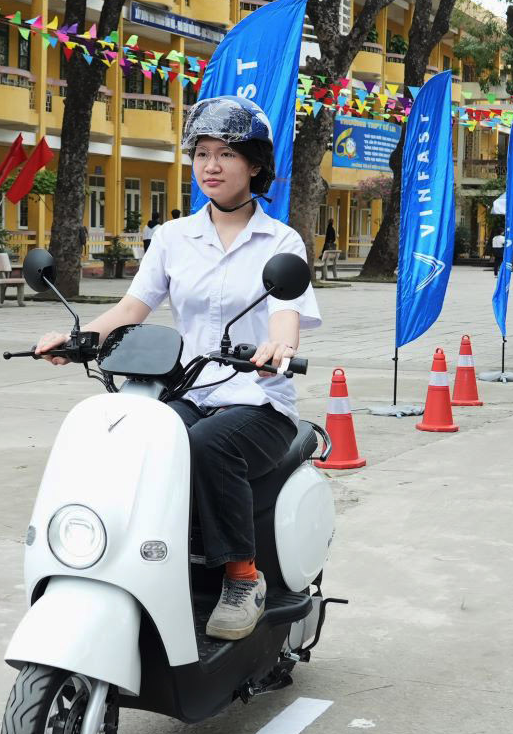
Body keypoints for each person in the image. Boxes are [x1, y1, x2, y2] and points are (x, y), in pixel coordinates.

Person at [31, 96, 319, 642]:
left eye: (226, 154)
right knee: (133, 437)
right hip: (190, 389)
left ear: (254, 165)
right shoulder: (172, 238)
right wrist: (76, 338)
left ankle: (241, 576)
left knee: (208, 445)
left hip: (259, 402)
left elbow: (286, 317)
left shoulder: (282, 242)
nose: (210, 166)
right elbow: (130, 309)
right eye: (201, 154)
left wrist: (275, 350)